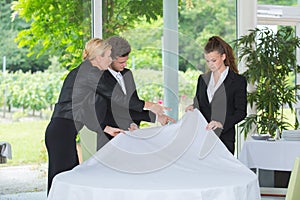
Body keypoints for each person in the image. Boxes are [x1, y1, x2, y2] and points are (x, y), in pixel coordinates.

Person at [45, 38, 167, 194]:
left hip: (63, 131)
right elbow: (120, 98)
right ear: (98, 57)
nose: (110, 60)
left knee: (66, 181)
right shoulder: (90, 73)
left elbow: (86, 111)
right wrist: (152, 106)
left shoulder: (87, 71)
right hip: (61, 132)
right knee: (62, 181)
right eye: (108, 56)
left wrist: (106, 128)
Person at [97, 36, 175, 146]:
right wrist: (151, 105)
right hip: (109, 138)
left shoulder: (127, 74)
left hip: (131, 136)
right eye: (121, 62)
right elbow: (120, 103)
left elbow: (133, 104)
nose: (125, 65)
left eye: (126, 61)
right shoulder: (100, 78)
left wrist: (135, 122)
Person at [186, 36, 247, 154]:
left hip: (224, 140)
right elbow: (199, 104)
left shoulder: (238, 81)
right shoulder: (202, 79)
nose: (210, 64)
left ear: (223, 57)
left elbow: (241, 112)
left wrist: (221, 123)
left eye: (214, 60)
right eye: (207, 61)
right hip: (202, 138)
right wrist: (193, 107)